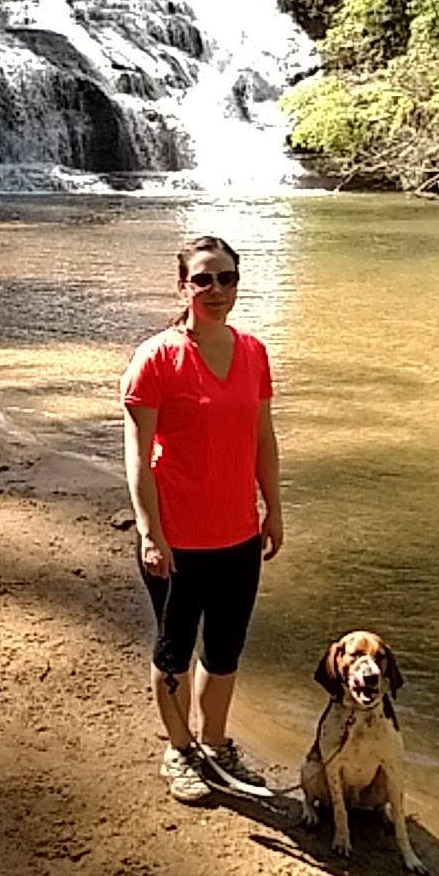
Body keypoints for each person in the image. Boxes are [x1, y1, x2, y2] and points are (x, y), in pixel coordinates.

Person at [121, 234, 283, 802]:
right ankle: (179, 749)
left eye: (227, 279)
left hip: (238, 532)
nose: (217, 291)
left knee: (225, 649)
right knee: (174, 650)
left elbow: (262, 436)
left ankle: (215, 742)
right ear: (184, 285)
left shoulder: (255, 352)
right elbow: (137, 455)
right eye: (204, 279)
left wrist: (274, 510)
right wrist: (149, 532)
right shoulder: (157, 358)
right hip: (177, 538)